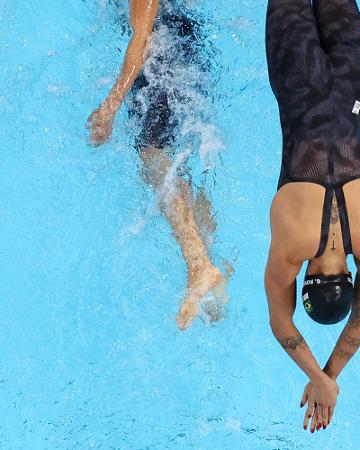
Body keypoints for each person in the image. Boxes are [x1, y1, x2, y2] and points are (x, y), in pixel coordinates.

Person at [265, 0, 360, 432]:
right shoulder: (293, 243)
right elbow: (280, 321)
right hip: (301, 85)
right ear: (306, 279)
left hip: (353, 85)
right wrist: (317, 377)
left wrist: (332, 376)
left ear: (349, 281)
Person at [86, 0, 229, 330]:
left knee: (153, 157)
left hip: (164, 66)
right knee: (182, 167)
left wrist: (109, 107)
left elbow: (141, 39)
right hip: (189, 59)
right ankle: (213, 270)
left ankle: (198, 264)